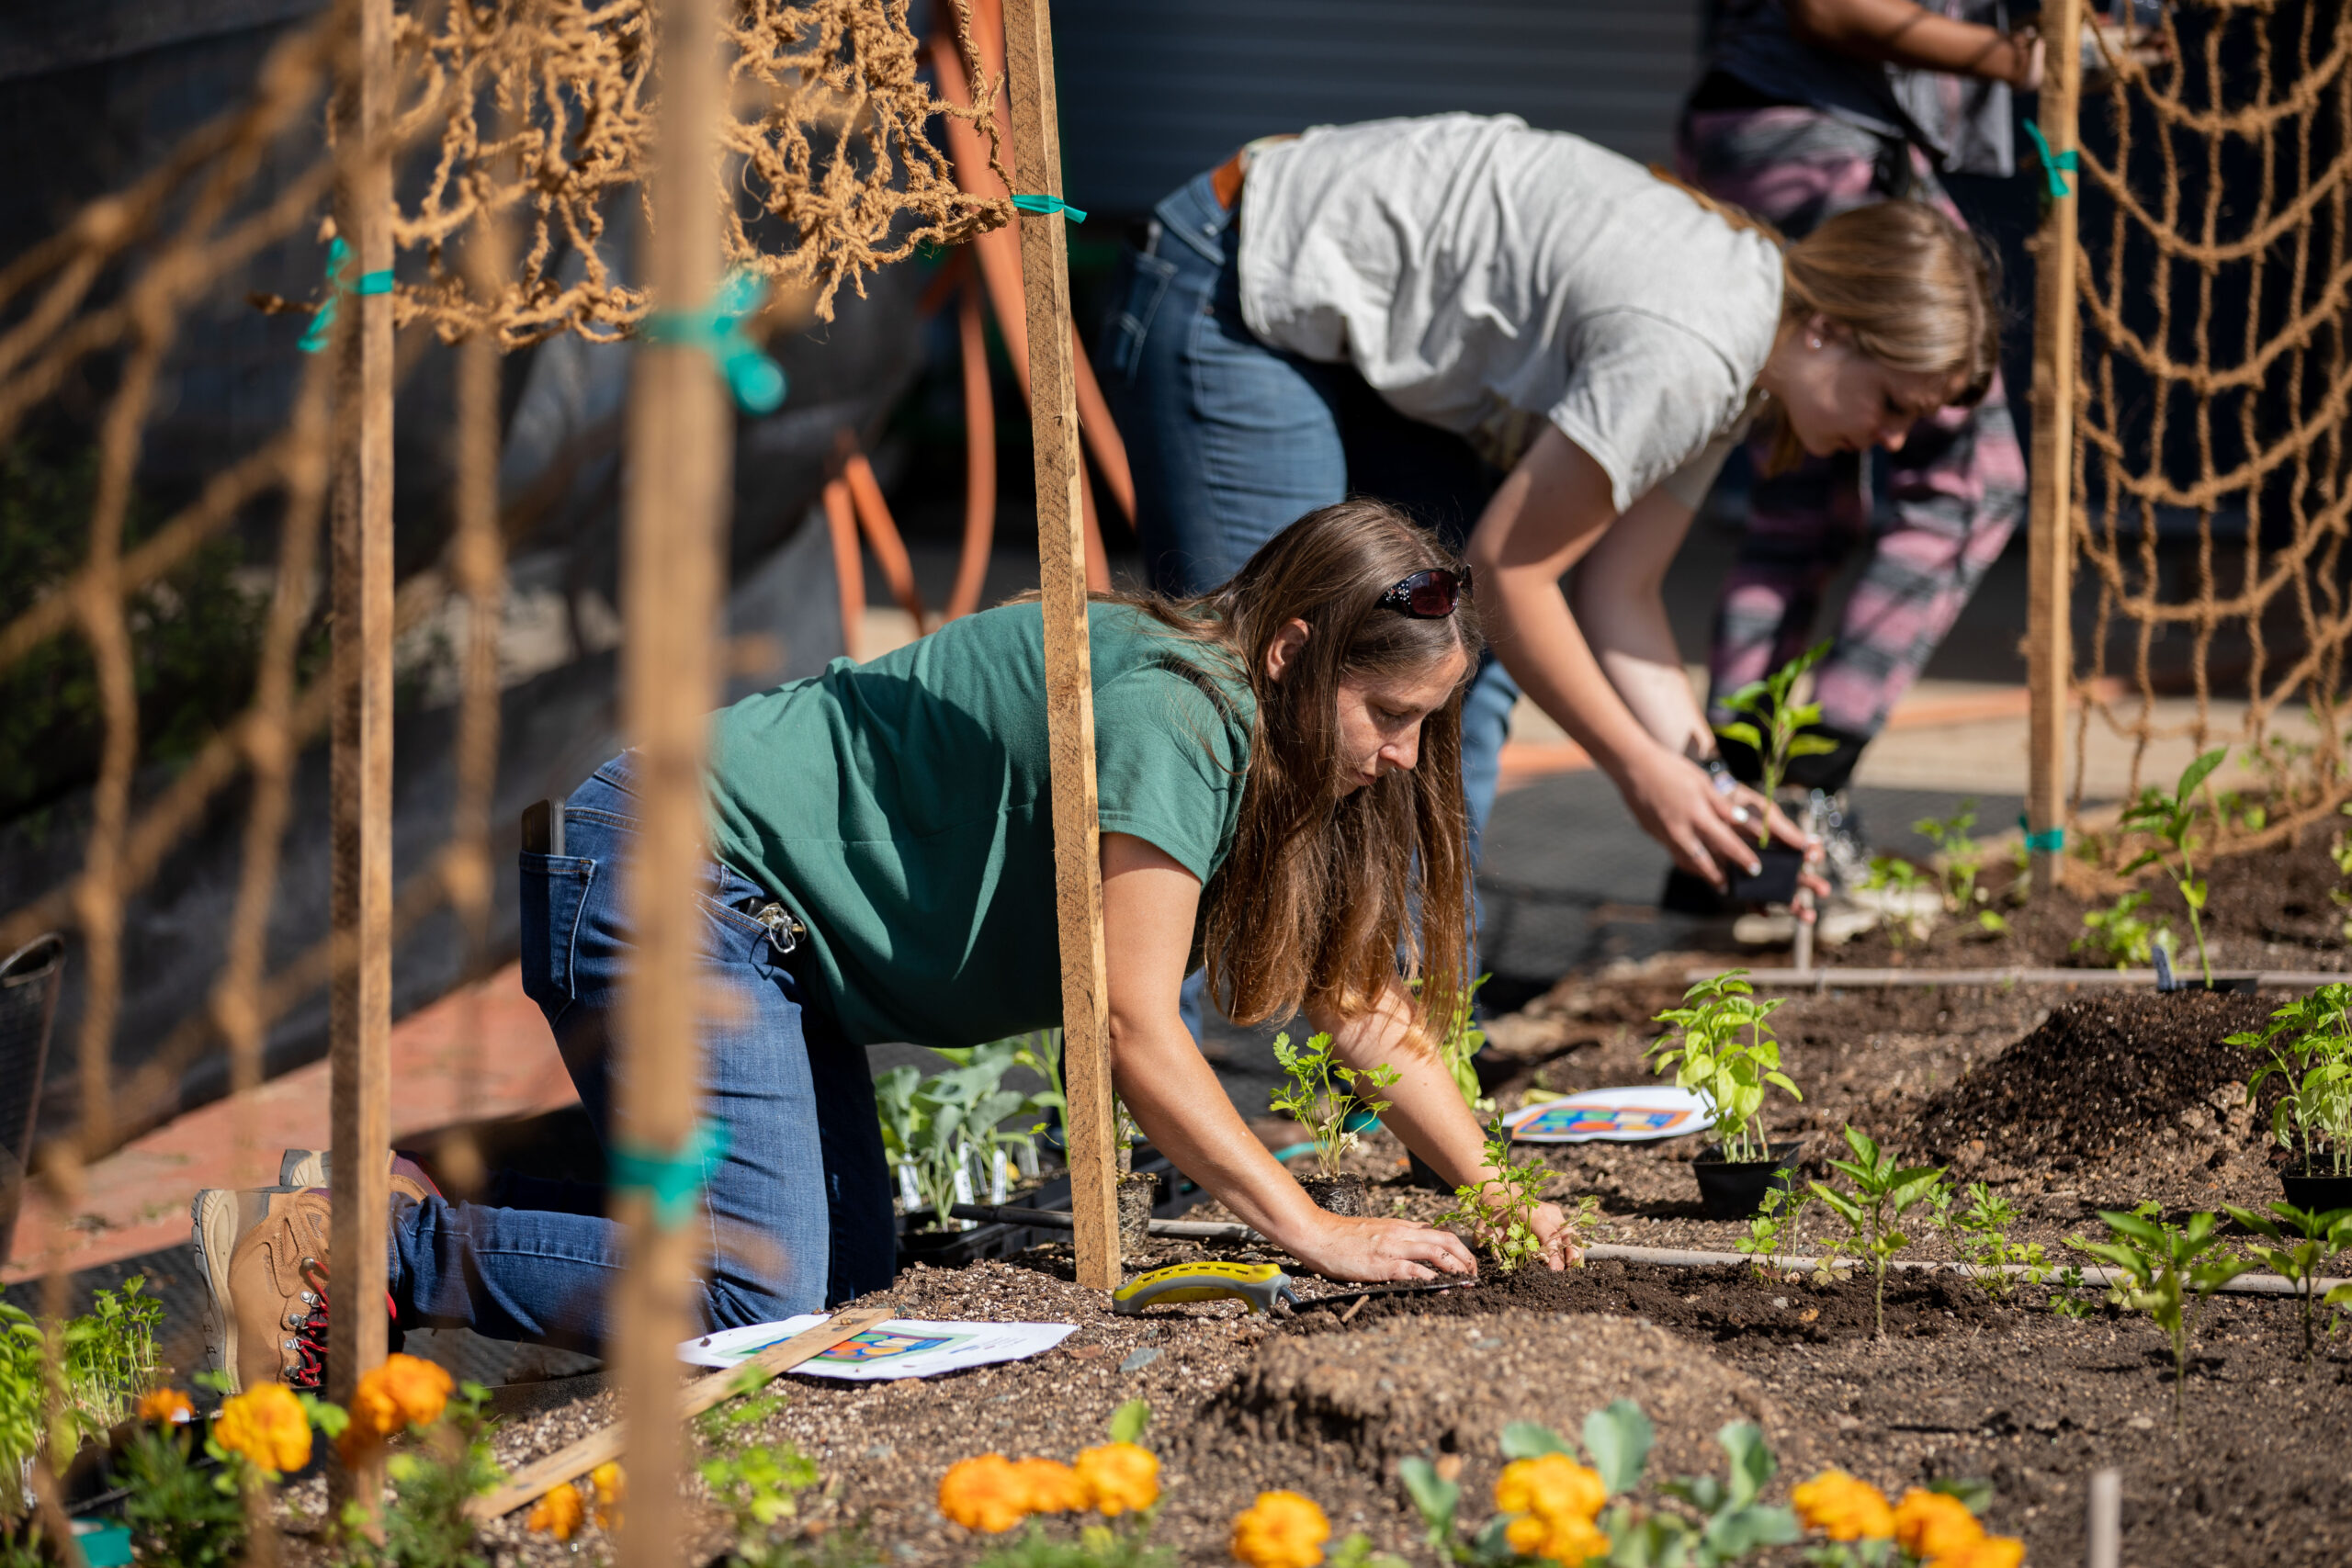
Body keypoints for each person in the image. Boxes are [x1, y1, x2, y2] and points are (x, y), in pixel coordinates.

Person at [194, 501, 1568, 1393]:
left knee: (848, 1259)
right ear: (1292, 653)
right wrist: (1316, 1227)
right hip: (672, 872)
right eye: (1386, 716)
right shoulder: (1175, 714)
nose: (1397, 762)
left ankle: (450, 1164)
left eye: (1421, 730)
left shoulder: (1280, 756)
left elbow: (1357, 996)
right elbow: (1132, 1026)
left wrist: (1493, 1191)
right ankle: (354, 1247)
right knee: (759, 1288)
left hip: (767, 941)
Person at [1106, 112, 2000, 906]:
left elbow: (1622, 591)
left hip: (1350, 338)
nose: (1890, 442)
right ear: (1827, 331)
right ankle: (1146, 1047)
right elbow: (1516, 571)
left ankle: (1413, 1041)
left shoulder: (1747, 359)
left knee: (1452, 654)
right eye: (1893, 405)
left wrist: (1709, 786)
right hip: (1240, 274)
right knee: (1267, 692)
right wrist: (1637, 769)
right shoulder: (1695, 350)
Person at [1676, 0, 2040, 888]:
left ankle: (1736, 826)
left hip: (1796, 124)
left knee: (1800, 503)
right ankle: (1803, 792)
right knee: (1973, 479)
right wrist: (2019, 61)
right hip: (1818, 131)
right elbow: (1831, 9)